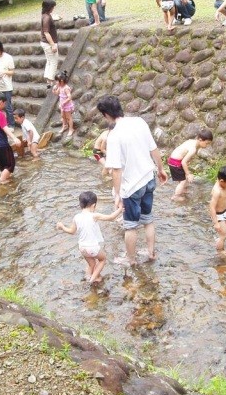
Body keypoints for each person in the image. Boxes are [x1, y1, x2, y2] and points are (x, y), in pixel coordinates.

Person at [99, 95, 168, 266]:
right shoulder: (139, 122)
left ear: (106, 114)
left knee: (130, 226)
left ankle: (130, 259)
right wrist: (160, 169)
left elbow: (116, 170)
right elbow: (154, 148)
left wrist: (117, 194)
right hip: (149, 178)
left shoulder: (113, 136)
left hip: (131, 187)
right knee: (148, 219)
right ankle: (151, 253)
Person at [56, 191, 123, 283]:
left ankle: (87, 277)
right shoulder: (94, 216)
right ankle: (92, 279)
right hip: (92, 247)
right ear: (93, 205)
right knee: (103, 259)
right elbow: (111, 217)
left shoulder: (76, 217)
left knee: (91, 264)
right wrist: (120, 209)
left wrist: (62, 227)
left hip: (82, 247)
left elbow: (72, 232)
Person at [168, 129, 213, 201]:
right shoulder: (193, 149)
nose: (207, 146)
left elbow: (183, 153)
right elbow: (184, 162)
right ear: (200, 140)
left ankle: (182, 190)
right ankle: (176, 196)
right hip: (176, 162)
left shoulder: (191, 141)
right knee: (183, 181)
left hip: (173, 160)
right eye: (207, 143)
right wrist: (188, 174)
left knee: (183, 179)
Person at [40, 0, 59, 88]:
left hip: (44, 43)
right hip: (49, 43)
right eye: (52, 7)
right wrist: (53, 45)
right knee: (54, 62)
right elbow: (46, 32)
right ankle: (51, 81)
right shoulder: (47, 18)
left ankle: (48, 80)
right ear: (49, 7)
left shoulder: (45, 15)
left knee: (49, 61)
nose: (53, 8)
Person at [52, 70, 74, 136]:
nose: (56, 82)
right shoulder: (60, 87)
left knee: (68, 117)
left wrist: (64, 102)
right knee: (63, 116)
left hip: (67, 105)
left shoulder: (66, 88)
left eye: (56, 81)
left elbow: (69, 97)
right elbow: (57, 93)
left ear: (61, 81)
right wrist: (54, 90)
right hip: (62, 105)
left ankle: (71, 129)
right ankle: (64, 126)